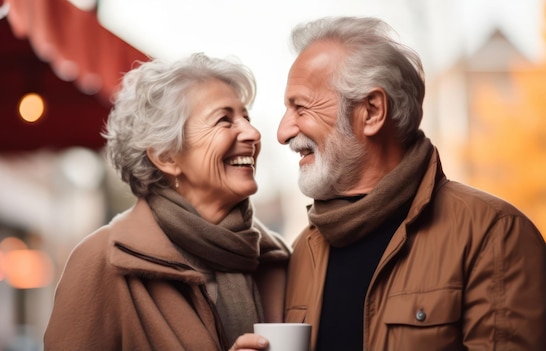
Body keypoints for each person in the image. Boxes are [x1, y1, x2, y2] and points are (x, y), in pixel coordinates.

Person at [233, 16, 546, 351]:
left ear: (371, 112)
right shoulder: (303, 250)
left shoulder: (494, 234)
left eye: (301, 108)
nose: (282, 133)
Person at [43, 53, 290, 350]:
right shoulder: (102, 262)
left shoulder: (279, 260)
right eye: (224, 120)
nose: (253, 133)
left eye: (246, 117)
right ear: (166, 157)